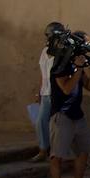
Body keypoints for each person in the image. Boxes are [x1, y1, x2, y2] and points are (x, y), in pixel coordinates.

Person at [49, 48, 90, 178]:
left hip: (78, 115)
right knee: (57, 157)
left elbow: (89, 87)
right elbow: (66, 88)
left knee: (83, 152)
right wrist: (78, 68)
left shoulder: (78, 67)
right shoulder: (59, 67)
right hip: (62, 116)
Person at [29, 21, 63, 162]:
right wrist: (39, 91)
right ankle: (43, 149)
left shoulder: (62, 51)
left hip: (58, 93)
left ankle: (59, 152)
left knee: (59, 123)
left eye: (49, 35)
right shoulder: (45, 51)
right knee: (41, 121)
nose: (47, 38)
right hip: (46, 92)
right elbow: (43, 73)